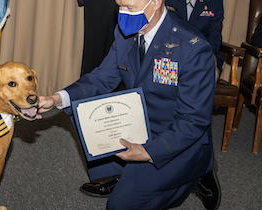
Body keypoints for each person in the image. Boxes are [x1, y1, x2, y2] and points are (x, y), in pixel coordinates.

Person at [37, 0, 221, 209]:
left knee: (120, 206)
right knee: (85, 115)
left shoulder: (192, 49)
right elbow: (101, 79)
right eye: (120, 6)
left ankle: (196, 175)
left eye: (130, 8)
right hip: (138, 122)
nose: (122, 14)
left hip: (176, 138)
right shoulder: (126, 34)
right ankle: (126, 175)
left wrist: (149, 153)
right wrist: (57, 99)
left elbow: (193, 121)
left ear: (156, 2)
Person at [165, 0, 224, 82]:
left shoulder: (214, 2)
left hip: (201, 54)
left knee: (212, 72)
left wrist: (197, 54)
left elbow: (214, 38)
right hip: (170, 52)